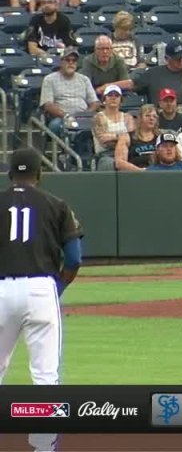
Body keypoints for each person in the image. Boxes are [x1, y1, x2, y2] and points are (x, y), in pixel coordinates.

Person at [0, 148, 84, 452]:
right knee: (46, 376)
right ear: (39, 174)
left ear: (10, 175)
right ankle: (44, 445)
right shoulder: (56, 204)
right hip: (41, 290)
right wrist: (55, 289)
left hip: (0, 291)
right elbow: (74, 258)